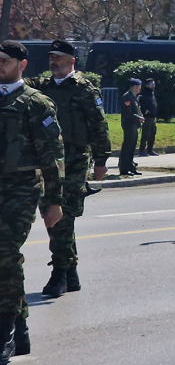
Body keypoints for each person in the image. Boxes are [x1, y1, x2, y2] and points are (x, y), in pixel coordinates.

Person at [25, 39, 111, 299]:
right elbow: (17, 85)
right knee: (54, 214)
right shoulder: (42, 87)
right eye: (52, 57)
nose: (54, 61)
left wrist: (101, 160)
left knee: (62, 213)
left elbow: (99, 124)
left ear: (72, 60)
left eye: (59, 57)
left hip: (75, 158)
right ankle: (70, 272)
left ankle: (60, 272)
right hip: (49, 158)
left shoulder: (85, 89)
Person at [0, 40, 65, 362]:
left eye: (5, 61)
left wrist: (54, 201)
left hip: (21, 188)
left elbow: (53, 156)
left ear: (21, 65)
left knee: (3, 254)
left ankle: (5, 335)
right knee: (6, 261)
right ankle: (21, 329)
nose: (0, 65)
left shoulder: (36, 103)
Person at [118, 78, 144, 176]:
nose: (140, 89)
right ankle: (124, 168)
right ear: (135, 87)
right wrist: (138, 118)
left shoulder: (134, 97)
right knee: (127, 147)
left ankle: (131, 167)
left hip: (134, 125)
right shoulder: (127, 97)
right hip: (129, 124)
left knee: (132, 147)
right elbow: (128, 113)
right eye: (139, 87)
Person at [137, 79, 158, 157]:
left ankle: (150, 150)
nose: (153, 86)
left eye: (154, 84)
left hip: (153, 116)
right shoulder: (144, 93)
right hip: (147, 117)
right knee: (146, 134)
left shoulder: (152, 93)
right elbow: (141, 103)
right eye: (151, 85)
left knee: (152, 133)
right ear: (147, 85)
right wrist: (145, 110)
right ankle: (142, 150)